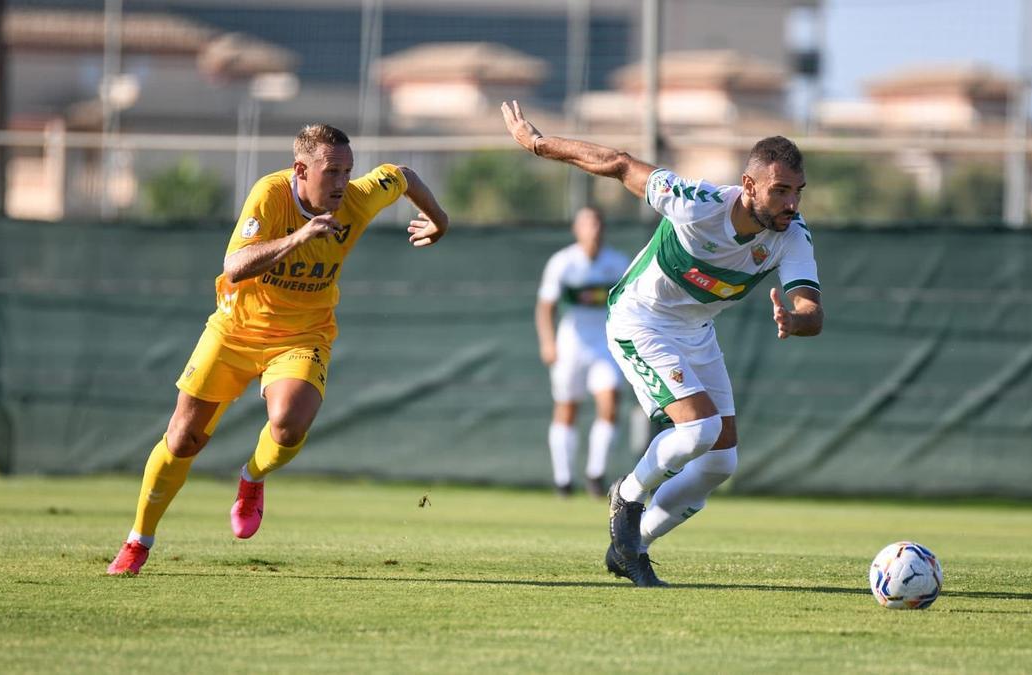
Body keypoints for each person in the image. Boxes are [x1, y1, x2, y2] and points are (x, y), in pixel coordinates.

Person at [502, 101, 823, 587]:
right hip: (640, 320)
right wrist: (538, 143)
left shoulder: (790, 235)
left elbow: (811, 311)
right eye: (781, 191)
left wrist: (796, 321)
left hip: (696, 333)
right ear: (750, 184)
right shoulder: (698, 203)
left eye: (797, 192)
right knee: (697, 432)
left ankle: (632, 546)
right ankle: (627, 496)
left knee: (721, 461)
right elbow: (619, 164)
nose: (792, 203)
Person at [107, 123, 448, 576]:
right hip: (235, 329)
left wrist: (440, 221)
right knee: (183, 438)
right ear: (301, 169)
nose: (343, 181)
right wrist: (298, 239)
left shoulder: (358, 197)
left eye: (348, 170)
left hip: (303, 334)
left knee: (288, 425)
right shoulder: (270, 195)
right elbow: (234, 267)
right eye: (333, 171)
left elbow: (403, 175)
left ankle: (251, 478)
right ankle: (138, 541)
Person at [536, 207, 631, 497]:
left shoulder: (617, 263)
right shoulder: (563, 262)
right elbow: (545, 307)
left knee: (610, 401)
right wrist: (548, 342)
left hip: (604, 342)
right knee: (567, 408)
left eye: (598, 223)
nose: (594, 229)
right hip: (571, 343)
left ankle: (595, 475)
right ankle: (563, 480)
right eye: (587, 223)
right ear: (576, 229)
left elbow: (629, 304)